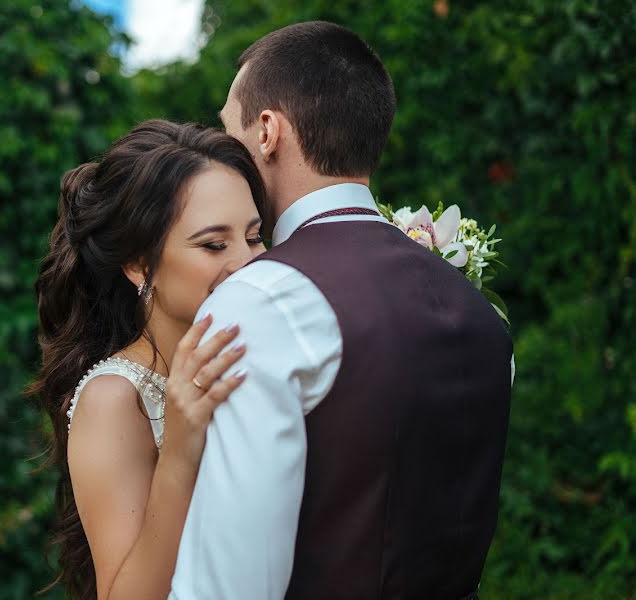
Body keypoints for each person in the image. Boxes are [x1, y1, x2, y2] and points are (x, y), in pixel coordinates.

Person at [168, 21, 513, 600]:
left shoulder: (261, 299)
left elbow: (229, 585)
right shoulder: (483, 316)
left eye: (230, 132)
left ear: (268, 132)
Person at [32, 119, 269, 600]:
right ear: (140, 263)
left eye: (255, 236)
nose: (248, 261)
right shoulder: (115, 399)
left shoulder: (260, 355)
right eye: (214, 244)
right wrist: (179, 451)